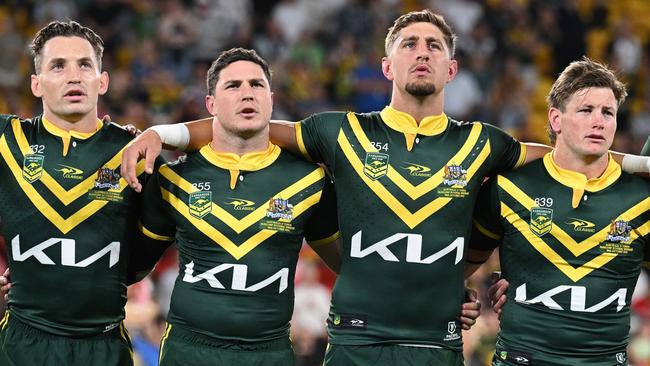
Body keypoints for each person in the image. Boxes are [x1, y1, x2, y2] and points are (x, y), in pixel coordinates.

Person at [121, 9, 648, 365]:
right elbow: (245, 127)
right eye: (410, 44)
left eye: (435, 46)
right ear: (386, 64)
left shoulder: (485, 143)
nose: (423, 52)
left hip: (438, 345)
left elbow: (569, 154)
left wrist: (640, 166)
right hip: (355, 341)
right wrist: (161, 133)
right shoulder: (340, 131)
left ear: (452, 67)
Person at [140, 48, 341, 366]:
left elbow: (345, 263)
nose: (247, 93)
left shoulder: (310, 181)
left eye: (256, 85)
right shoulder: (172, 178)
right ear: (211, 104)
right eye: (233, 86)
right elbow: (134, 266)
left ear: (271, 99)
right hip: (188, 353)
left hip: (269, 353)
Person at [0, 21, 166, 365]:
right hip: (21, 344)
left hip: (103, 345)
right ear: (36, 84)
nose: (73, 76)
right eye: (58, 66)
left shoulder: (135, 152)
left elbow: (149, 250)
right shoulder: (6, 141)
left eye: (85, 65)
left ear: (101, 81)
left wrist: (166, 133)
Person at [467, 58, 649, 366]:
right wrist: (463, 296)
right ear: (555, 118)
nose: (599, 121)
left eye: (608, 112)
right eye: (585, 110)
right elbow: (457, 264)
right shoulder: (510, 187)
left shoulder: (642, 198)